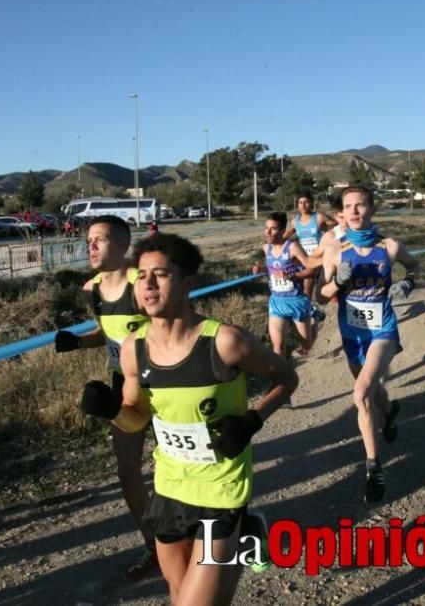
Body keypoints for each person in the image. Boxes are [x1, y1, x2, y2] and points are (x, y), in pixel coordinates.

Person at [91, 233, 297, 605]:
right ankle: (248, 533)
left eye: (162, 274)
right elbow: (137, 419)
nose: (148, 283)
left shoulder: (225, 342)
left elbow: (287, 378)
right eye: (142, 275)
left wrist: (253, 420)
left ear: (188, 282)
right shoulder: (133, 349)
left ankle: (240, 528)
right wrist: (112, 411)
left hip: (220, 489)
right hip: (169, 488)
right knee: (177, 592)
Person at [53, 215, 159, 581]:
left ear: (123, 245)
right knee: (127, 470)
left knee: (176, 465)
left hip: (161, 382)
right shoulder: (90, 289)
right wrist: (79, 342)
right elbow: (105, 332)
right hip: (121, 384)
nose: (91, 246)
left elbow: (170, 326)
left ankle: (197, 537)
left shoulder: (142, 283)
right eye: (89, 240)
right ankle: (154, 547)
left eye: (100, 239)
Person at [317, 187, 420, 503]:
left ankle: (373, 468)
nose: (355, 211)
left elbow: (414, 266)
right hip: (352, 334)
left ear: (372, 209)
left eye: (360, 205)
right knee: (373, 392)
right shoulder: (335, 249)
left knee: (361, 394)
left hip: (382, 331)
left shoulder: (389, 247)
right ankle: (389, 413)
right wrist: (338, 282)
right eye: (348, 206)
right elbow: (322, 292)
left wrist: (407, 282)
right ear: (343, 213)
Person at [251, 212, 319, 360]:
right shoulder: (266, 248)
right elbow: (273, 269)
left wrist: (294, 276)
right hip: (277, 302)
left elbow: (311, 269)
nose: (268, 232)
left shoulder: (293, 247)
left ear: (282, 231)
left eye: (273, 229)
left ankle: (316, 319)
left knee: (307, 345)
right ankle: (280, 377)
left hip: (297, 301)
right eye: (266, 228)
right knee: (278, 346)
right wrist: (261, 269)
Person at [284, 193, 335, 320]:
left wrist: (329, 236)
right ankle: (308, 309)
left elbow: (338, 226)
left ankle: (309, 309)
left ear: (311, 203)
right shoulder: (295, 222)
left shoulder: (319, 218)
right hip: (304, 258)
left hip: (319, 257)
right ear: (297, 205)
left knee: (310, 279)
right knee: (306, 282)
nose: (303, 205)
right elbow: (285, 236)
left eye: (306, 202)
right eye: (300, 202)